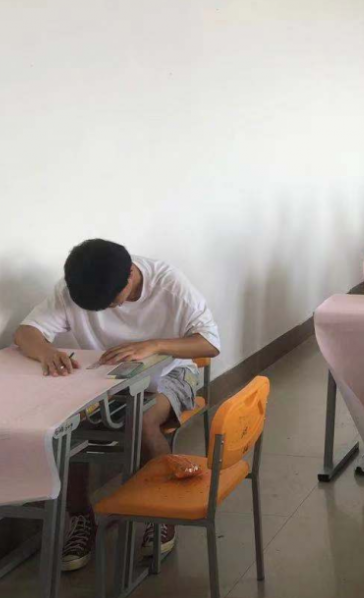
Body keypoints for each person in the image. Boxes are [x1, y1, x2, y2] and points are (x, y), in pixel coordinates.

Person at [14, 239, 220, 570]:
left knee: (143, 421)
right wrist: (46, 351)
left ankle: (161, 513)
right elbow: (26, 333)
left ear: (130, 275)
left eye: (113, 301)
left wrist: (154, 345)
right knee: (67, 426)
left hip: (172, 372)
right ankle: (81, 518)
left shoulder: (170, 286)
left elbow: (209, 343)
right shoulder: (77, 287)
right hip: (108, 380)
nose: (109, 309)